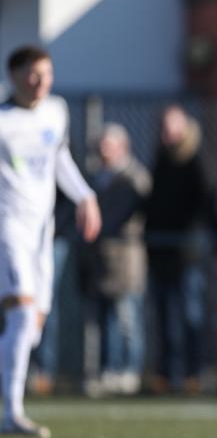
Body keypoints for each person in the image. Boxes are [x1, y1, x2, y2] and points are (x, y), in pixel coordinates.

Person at [0, 45, 102, 438]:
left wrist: (86, 196)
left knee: (31, 330)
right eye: (32, 74)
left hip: (42, 233)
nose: (41, 82)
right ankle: (12, 413)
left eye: (47, 74)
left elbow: (60, 161)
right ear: (14, 76)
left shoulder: (56, 111)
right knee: (22, 318)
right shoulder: (4, 121)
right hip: (9, 228)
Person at [144, 104, 209, 394]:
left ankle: (193, 373)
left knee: (189, 314)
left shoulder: (197, 161)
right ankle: (166, 373)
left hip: (186, 253)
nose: (167, 131)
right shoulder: (160, 158)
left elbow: (203, 205)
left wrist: (189, 240)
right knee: (164, 315)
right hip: (160, 250)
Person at [90, 123, 152, 395]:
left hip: (126, 260)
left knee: (127, 319)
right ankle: (108, 369)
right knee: (104, 321)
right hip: (101, 261)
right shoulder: (96, 177)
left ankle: (130, 369)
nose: (104, 151)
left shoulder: (135, 176)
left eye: (110, 146)